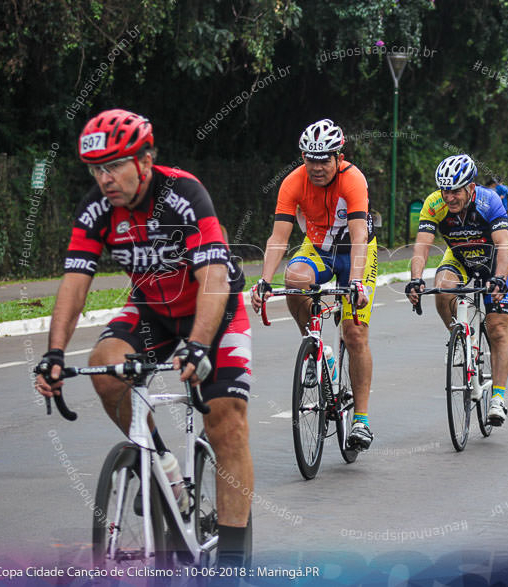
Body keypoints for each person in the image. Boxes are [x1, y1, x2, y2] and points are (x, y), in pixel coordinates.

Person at [35, 109, 253, 568]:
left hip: (213, 305)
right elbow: (75, 284)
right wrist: (54, 353)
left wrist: (198, 344)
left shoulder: (184, 195)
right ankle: (166, 471)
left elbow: (213, 274)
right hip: (153, 308)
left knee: (226, 421)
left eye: (114, 166)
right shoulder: (96, 208)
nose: (104, 178)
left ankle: (234, 567)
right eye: (96, 169)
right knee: (106, 366)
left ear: (146, 161)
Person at [251, 119, 377, 450]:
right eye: (310, 158)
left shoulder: (353, 180)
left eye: (324, 159)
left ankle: (361, 421)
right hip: (318, 249)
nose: (317, 167)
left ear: (339, 156)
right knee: (294, 280)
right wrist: (264, 281)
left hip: (354, 253)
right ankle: (317, 347)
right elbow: (279, 238)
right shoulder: (293, 182)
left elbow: (359, 234)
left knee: (353, 331)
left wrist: (356, 284)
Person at [405, 155, 508, 425]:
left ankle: (498, 398)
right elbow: (422, 246)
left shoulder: (490, 201)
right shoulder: (434, 204)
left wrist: (500, 278)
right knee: (442, 287)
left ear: (471, 187)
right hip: (460, 259)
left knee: (497, 328)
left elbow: (504, 245)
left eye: (455, 190)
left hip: (491, 263)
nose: (449, 197)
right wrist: (416, 278)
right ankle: (458, 337)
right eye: (445, 190)